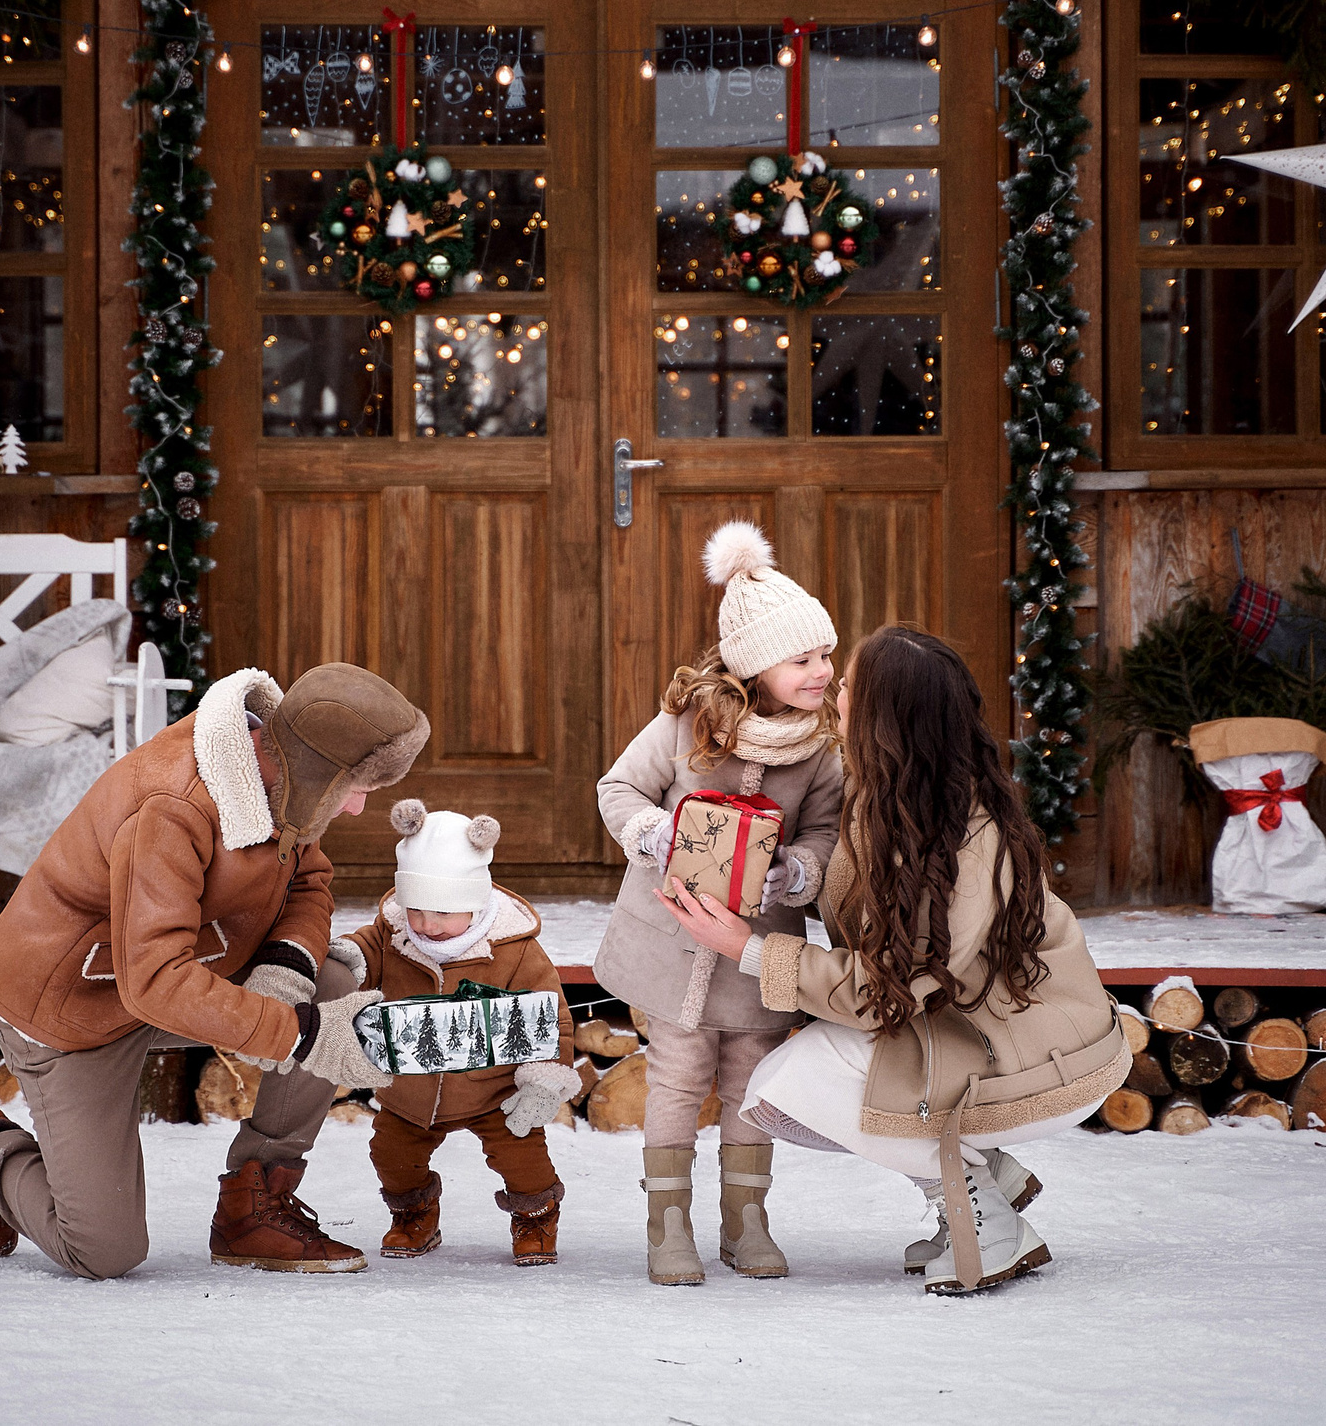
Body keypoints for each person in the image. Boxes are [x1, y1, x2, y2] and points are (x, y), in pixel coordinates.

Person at [663, 625, 1131, 1297]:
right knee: (801, 1080)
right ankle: (984, 1174)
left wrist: (749, 949)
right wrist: (788, 876)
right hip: (970, 1026)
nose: (833, 688)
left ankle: (982, 1215)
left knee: (788, 1086)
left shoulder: (960, 836)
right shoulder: (891, 791)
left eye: (850, 682)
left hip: (1039, 1055)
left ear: (885, 713)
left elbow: (887, 988)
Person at [0, 662, 429, 1279]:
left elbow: (310, 881)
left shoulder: (282, 780)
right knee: (103, 1252)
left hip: (181, 978)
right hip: (73, 1006)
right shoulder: (171, 806)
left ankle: (253, 1208)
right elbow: (153, 980)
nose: (358, 808)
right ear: (318, 770)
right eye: (355, 786)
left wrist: (283, 968)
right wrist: (300, 1034)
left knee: (329, 982)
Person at [594, 521, 843, 1286]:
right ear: (756, 665)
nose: (823, 670)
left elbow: (830, 832)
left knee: (749, 1080)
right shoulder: (683, 727)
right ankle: (668, 1225)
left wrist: (795, 874)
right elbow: (617, 788)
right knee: (675, 1074)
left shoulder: (821, 748)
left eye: (826, 654)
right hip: (671, 946)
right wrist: (655, 833)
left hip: (754, 949)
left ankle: (747, 1220)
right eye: (804, 658)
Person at [335, 799, 584, 1266]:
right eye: (418, 910)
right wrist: (349, 957)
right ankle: (415, 1213)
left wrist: (545, 1078)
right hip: (411, 1093)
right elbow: (366, 950)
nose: (429, 926)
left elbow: (551, 1016)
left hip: (495, 1089)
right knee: (391, 1155)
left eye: (445, 913)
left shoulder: (514, 951)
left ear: (475, 901)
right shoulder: (392, 937)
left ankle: (536, 1215)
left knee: (523, 1158)